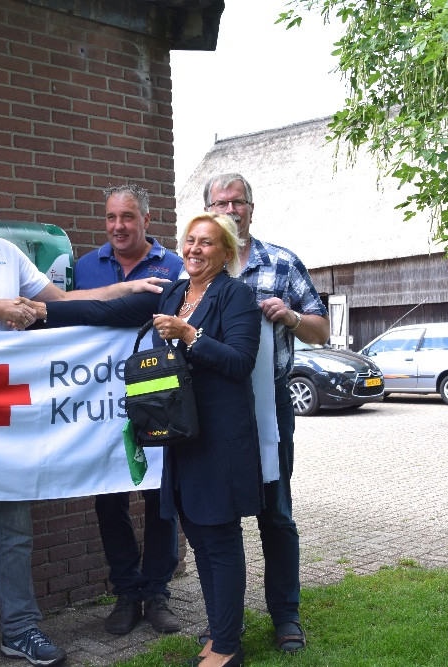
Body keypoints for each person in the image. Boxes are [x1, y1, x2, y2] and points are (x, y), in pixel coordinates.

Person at [0, 162, 166, 667]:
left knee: (16, 526)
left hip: (7, 412)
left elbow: (63, 302)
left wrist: (124, 291)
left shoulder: (8, 253)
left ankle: (20, 630)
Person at [38, 212, 264, 667]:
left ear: (226, 252)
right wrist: (40, 311)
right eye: (190, 241)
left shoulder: (236, 295)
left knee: (220, 539)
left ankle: (227, 646)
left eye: (206, 242)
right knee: (199, 539)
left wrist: (190, 335)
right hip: (183, 438)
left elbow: (240, 362)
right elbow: (102, 311)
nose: (195, 249)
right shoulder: (174, 293)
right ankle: (219, 632)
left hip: (220, 440)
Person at [202, 173, 330, 654]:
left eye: (237, 202)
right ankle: (225, 623)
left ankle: (286, 616)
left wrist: (293, 317)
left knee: (275, 512)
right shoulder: (195, 267)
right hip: (214, 410)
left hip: (269, 402)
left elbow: (321, 329)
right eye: (220, 203)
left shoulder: (281, 262)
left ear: (251, 209)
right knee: (219, 516)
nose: (229, 210)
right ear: (208, 210)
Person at [73, 184, 185, 635]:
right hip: (99, 400)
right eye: (110, 217)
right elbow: (77, 324)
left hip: (157, 396)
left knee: (160, 496)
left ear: (146, 220)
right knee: (109, 496)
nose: (118, 227)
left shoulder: (173, 266)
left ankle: (157, 592)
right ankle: (126, 592)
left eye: (128, 217)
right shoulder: (85, 267)